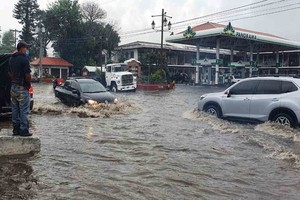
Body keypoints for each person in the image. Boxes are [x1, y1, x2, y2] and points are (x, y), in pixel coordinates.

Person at [8, 41, 32, 136]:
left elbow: (9, 73)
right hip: (22, 87)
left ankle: (15, 130)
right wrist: (27, 85)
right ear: (22, 48)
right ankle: (24, 130)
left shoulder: (11, 59)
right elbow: (28, 75)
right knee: (24, 110)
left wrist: (14, 81)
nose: (27, 50)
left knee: (15, 109)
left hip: (13, 87)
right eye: (26, 48)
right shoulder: (24, 59)